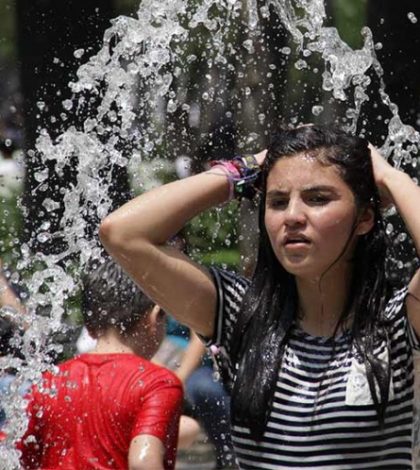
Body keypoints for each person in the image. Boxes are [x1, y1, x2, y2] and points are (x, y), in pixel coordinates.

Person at [99, 125, 420, 469]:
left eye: (317, 199)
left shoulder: (395, 320)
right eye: (278, 202)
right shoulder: (241, 315)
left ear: (365, 217)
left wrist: (390, 178)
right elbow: (121, 233)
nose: (293, 217)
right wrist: (245, 169)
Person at [17, 258, 183, 470]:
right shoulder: (157, 384)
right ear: (154, 316)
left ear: (91, 324)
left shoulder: (48, 382)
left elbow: (15, 453)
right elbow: (144, 462)